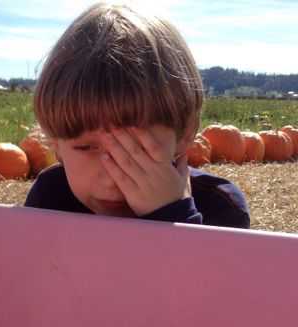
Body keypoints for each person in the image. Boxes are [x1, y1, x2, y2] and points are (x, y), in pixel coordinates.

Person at [24, 2, 250, 228]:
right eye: (86, 147)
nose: (113, 177)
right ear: (56, 146)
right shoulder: (49, 199)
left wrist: (174, 216)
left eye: (137, 148)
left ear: (185, 134)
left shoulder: (219, 208)